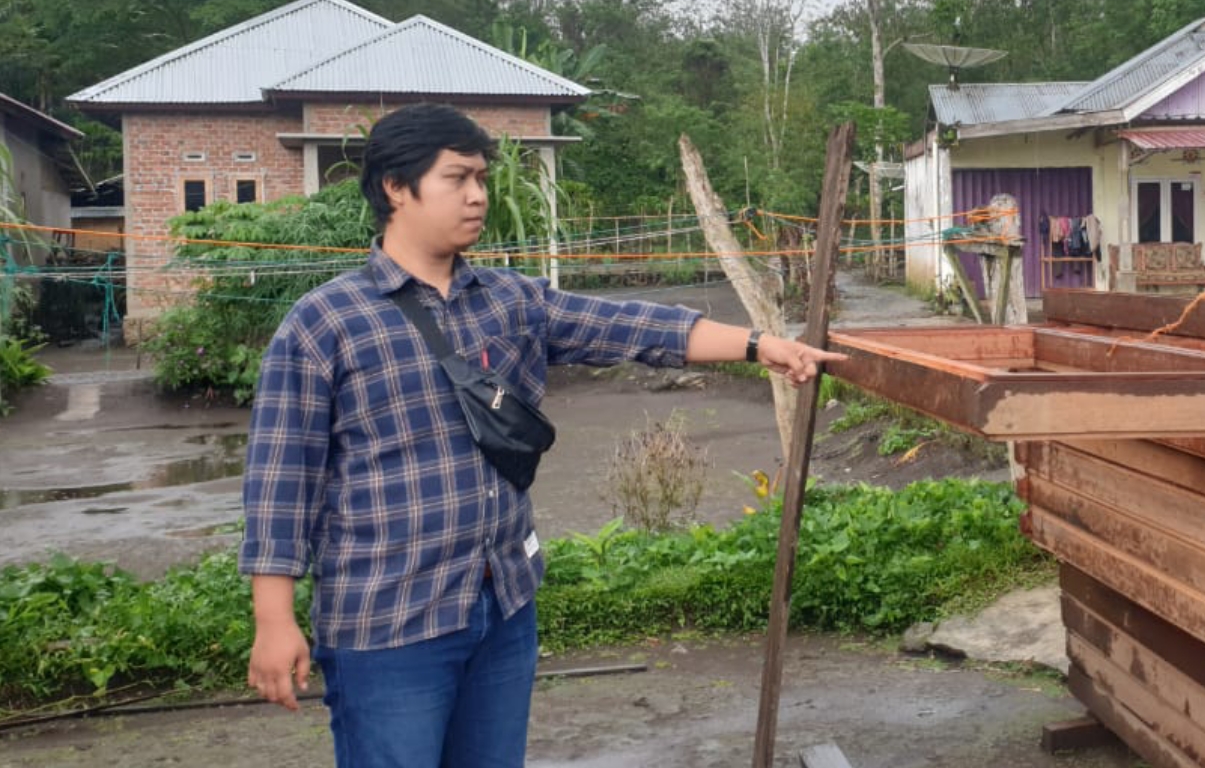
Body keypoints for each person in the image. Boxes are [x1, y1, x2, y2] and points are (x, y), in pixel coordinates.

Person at [241, 103, 839, 768]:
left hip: (501, 608)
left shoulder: (512, 301)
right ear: (395, 187)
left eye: (482, 179)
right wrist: (275, 620)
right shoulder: (324, 324)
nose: (478, 196)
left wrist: (760, 346)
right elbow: (281, 481)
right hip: (387, 625)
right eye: (457, 178)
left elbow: (633, 327)